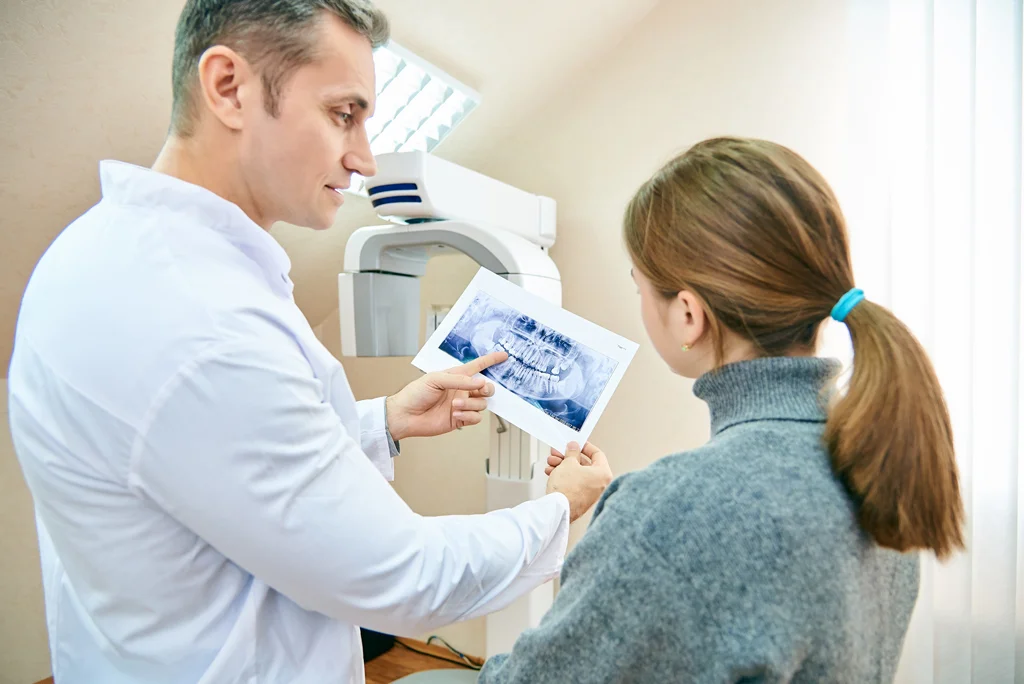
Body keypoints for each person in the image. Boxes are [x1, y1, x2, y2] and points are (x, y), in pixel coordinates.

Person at [6, 1, 612, 682]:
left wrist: (383, 421)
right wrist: (564, 505)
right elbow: (407, 576)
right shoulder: (205, 324)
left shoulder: (96, 252)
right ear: (228, 87)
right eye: (342, 114)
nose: (363, 157)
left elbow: (218, 461)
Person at [476, 137, 965, 683]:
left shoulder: (671, 511)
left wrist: (629, 521)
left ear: (688, 314)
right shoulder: (880, 466)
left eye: (639, 286)